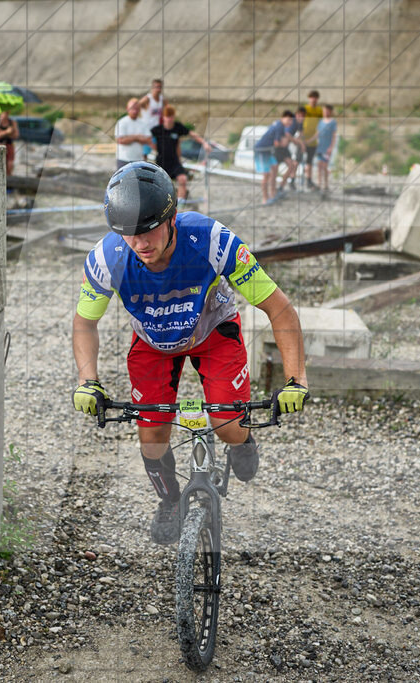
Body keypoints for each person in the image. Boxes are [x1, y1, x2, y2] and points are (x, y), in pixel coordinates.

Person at [72, 162, 309, 545]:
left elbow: (278, 308)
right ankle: (170, 502)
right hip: (153, 343)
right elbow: (85, 323)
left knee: (228, 426)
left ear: (172, 217)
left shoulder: (212, 241)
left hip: (212, 331)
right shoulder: (106, 259)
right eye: (128, 233)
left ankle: (242, 440)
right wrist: (88, 381)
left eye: (149, 229)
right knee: (152, 439)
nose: (140, 243)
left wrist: (295, 379)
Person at [150, 105, 210, 205]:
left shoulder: (177, 127)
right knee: (163, 184)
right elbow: (146, 138)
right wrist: (151, 147)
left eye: (171, 116)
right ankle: (164, 203)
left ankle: (180, 203)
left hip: (175, 161)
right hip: (162, 162)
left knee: (183, 178)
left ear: (174, 117)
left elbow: (192, 134)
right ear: (163, 117)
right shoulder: (157, 129)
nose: (169, 119)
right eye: (167, 116)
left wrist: (204, 143)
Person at [253, 110, 298, 205]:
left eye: (291, 121)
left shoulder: (278, 124)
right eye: (289, 120)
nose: (290, 123)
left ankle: (273, 194)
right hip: (262, 150)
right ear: (283, 118)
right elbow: (277, 143)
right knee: (266, 175)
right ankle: (265, 199)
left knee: (274, 168)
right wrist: (284, 143)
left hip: (269, 150)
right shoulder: (279, 126)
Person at [114, 97, 151, 170]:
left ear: (139, 110)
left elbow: (148, 140)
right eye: (132, 109)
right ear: (127, 109)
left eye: (137, 109)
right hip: (123, 159)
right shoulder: (121, 122)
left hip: (138, 160)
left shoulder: (143, 123)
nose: (134, 111)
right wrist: (137, 137)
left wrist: (128, 138)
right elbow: (120, 140)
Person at [300, 91, 323, 190]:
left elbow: (321, 125)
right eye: (312, 97)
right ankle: (292, 180)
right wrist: (302, 139)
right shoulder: (304, 109)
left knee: (309, 161)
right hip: (302, 138)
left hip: (313, 140)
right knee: (297, 160)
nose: (313, 99)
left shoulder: (319, 111)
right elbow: (299, 123)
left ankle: (309, 181)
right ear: (309, 98)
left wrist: (313, 138)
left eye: (315, 97)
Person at [137, 79, 165, 158]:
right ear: (152, 88)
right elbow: (135, 107)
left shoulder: (162, 99)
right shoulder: (147, 99)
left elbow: (166, 111)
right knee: (144, 154)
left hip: (156, 130)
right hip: (146, 130)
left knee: (159, 152)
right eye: (156, 87)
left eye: (160, 87)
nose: (158, 89)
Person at [315, 104, 338, 198]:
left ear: (331, 111)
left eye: (327, 111)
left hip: (327, 148)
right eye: (324, 110)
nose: (325, 112)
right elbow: (317, 134)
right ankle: (319, 184)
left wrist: (331, 147)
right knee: (319, 166)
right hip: (320, 147)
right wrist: (309, 141)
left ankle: (326, 184)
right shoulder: (320, 121)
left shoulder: (333, 122)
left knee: (325, 166)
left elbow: (334, 136)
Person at [0, 111, 19, 175]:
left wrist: (2, 133)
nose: (5, 115)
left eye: (6, 113)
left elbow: (16, 135)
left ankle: (8, 177)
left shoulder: (12, 122)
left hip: (9, 145)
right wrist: (7, 132)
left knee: (10, 165)